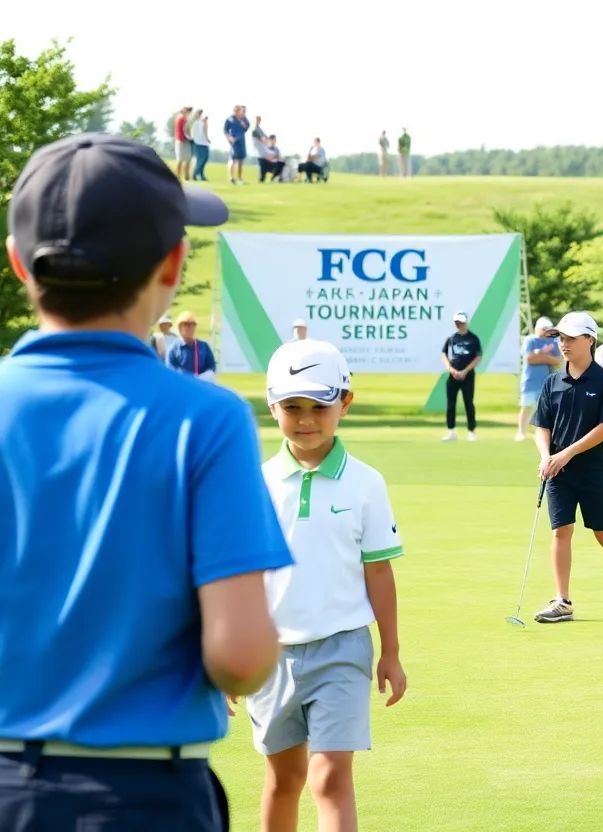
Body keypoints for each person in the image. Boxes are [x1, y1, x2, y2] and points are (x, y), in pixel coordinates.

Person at [0, 132, 290, 831]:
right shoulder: (208, 417)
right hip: (146, 793)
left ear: (17, 263)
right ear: (173, 263)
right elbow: (242, 658)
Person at [239, 339, 406, 832]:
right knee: (283, 778)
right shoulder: (255, 482)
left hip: (342, 648)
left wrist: (390, 652)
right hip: (270, 654)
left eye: (319, 406)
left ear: (345, 403)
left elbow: (379, 571)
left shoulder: (366, 483)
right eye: (292, 407)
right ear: (273, 407)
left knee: (330, 778)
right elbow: (241, 575)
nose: (306, 418)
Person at [530, 312, 603, 625]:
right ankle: (562, 601)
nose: (563, 344)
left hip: (592, 471)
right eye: (560, 338)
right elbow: (542, 426)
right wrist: (546, 455)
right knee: (561, 530)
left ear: (589, 341)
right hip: (557, 473)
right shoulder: (553, 381)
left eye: (570, 338)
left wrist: (565, 453)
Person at [516, 316, 561, 441]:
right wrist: (545, 355)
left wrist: (540, 356)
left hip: (547, 382)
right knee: (526, 406)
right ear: (538, 328)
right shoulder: (530, 340)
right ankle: (521, 432)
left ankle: (542, 434)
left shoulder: (553, 342)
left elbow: (558, 361)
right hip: (530, 380)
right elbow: (529, 359)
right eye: (544, 329)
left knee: (545, 410)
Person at [440, 311, 481, 442]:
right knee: (451, 404)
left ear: (465, 322)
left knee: (468, 403)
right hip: (453, 376)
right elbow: (444, 354)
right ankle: (451, 431)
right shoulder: (452, 339)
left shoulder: (473, 338)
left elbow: (477, 356)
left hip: (467, 376)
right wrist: (450, 369)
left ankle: (471, 431)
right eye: (457, 323)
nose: (459, 325)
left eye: (461, 322)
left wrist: (465, 371)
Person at [167, 311, 218, 381]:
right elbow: (170, 370)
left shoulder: (204, 346)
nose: (190, 328)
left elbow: (211, 366)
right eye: (186, 324)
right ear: (179, 327)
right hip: (181, 386)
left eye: (192, 324)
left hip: (200, 386)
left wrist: (206, 376)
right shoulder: (173, 349)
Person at [224, 105, 250, 185]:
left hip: (241, 141)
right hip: (234, 142)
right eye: (236, 110)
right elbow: (225, 130)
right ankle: (231, 178)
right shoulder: (230, 119)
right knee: (233, 159)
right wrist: (229, 138)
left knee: (241, 160)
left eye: (239, 110)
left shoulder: (244, 119)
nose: (238, 112)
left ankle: (240, 178)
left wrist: (243, 123)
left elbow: (247, 127)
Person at [174, 105, 193, 181]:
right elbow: (185, 130)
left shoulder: (183, 118)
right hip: (181, 140)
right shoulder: (182, 118)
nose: (189, 111)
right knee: (181, 159)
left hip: (185, 141)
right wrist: (189, 137)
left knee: (187, 159)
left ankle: (186, 176)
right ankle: (179, 176)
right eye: (188, 110)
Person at [191, 111, 211, 181]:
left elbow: (205, 133)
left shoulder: (202, 123)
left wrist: (207, 139)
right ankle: (195, 174)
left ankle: (201, 175)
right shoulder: (196, 123)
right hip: (198, 143)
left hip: (204, 143)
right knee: (201, 159)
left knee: (205, 159)